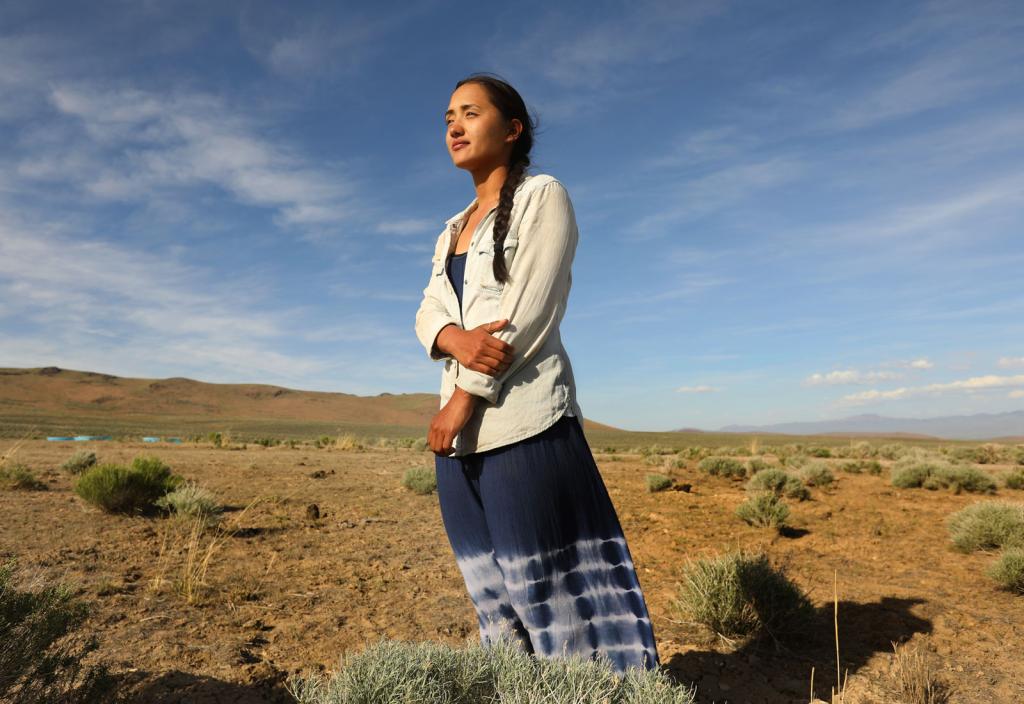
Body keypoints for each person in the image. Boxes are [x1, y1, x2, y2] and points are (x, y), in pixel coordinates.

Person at [413, 72, 661, 675]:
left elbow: (528, 310)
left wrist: (463, 398)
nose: (454, 126)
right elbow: (427, 311)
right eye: (448, 117)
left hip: (524, 425)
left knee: (548, 589)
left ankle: (592, 690)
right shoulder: (451, 229)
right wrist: (453, 339)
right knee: (491, 594)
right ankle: (518, 688)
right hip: (460, 442)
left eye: (470, 113)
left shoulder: (542, 196)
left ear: (513, 128)